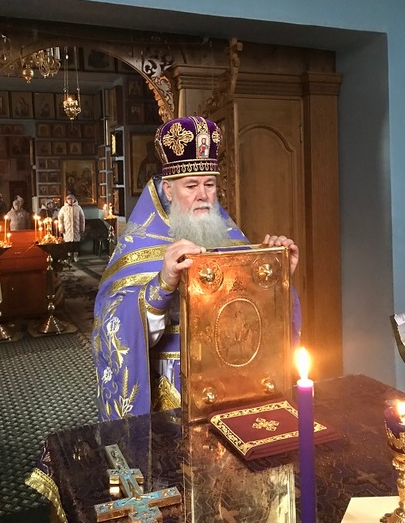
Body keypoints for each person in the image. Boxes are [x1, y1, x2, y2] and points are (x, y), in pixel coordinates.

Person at [92, 116, 301, 422]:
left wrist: (277, 279)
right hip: (171, 396)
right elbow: (112, 326)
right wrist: (161, 285)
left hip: (232, 387)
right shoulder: (140, 243)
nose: (203, 195)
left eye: (210, 184)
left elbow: (250, 317)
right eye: (191, 185)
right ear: (168, 189)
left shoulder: (229, 237)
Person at [58, 194, 85, 262]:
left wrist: (82, 228)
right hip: (67, 229)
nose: (70, 200)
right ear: (66, 200)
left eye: (72, 199)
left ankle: (75, 255)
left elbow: (82, 218)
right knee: (68, 243)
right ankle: (69, 256)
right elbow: (60, 218)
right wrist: (61, 228)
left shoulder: (78, 208)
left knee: (76, 243)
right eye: (69, 199)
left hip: (76, 228)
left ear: (74, 200)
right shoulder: (63, 208)